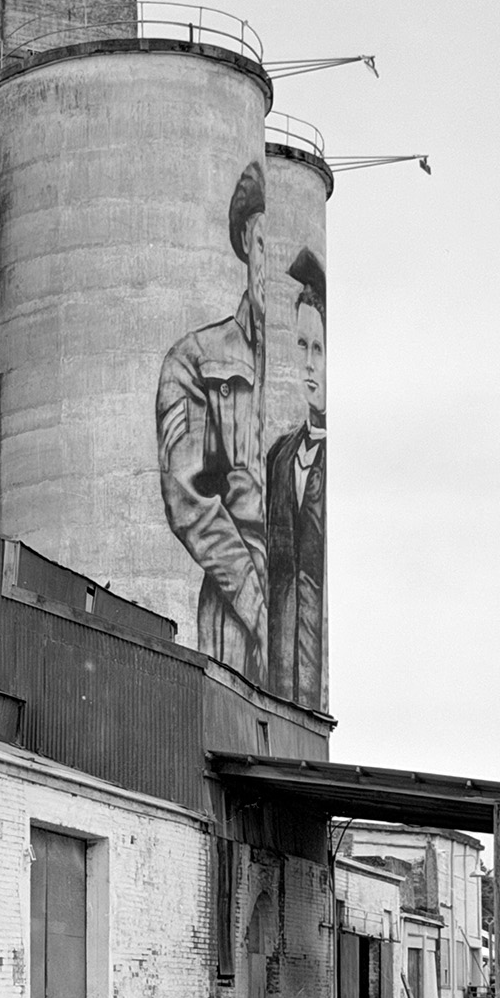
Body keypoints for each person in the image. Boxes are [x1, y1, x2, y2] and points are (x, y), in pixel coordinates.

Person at [156, 161, 271, 683]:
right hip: (235, 592)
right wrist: (252, 598)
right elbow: (189, 498)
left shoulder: (296, 357)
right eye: (262, 246)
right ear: (246, 247)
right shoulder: (197, 357)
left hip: (287, 598)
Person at [264, 247, 326, 707]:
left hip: (314, 680)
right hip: (277, 674)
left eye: (319, 349)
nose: (308, 362)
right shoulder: (280, 456)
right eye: (302, 345)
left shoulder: (329, 458)